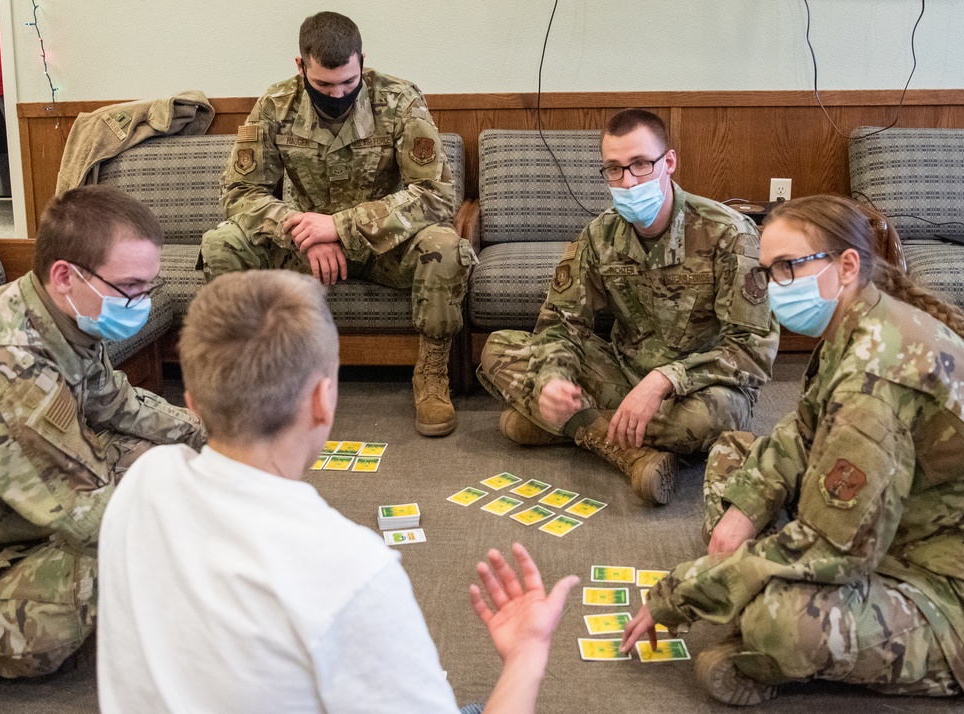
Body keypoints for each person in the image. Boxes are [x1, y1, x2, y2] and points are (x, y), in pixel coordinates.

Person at [97, 270, 578, 713]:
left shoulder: (143, 480)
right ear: (322, 401)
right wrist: (527, 652)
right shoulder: (353, 569)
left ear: (191, 403)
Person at [621, 195, 964, 704]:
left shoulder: (876, 377)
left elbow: (836, 549)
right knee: (734, 453)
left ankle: (758, 631)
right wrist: (747, 508)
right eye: (768, 271)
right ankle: (750, 584)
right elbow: (801, 431)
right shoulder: (858, 322)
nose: (775, 286)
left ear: (847, 266)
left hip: (936, 582)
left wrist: (687, 590)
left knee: (776, 622)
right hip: (888, 520)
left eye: (789, 267)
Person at [478, 109, 779, 506]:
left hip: (695, 389)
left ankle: (568, 424)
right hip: (621, 372)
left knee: (715, 418)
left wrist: (664, 379)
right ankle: (627, 451)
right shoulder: (600, 234)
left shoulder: (729, 234)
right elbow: (560, 324)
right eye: (614, 169)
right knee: (499, 348)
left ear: (668, 162)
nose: (628, 181)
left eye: (640, 164)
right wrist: (552, 378)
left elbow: (752, 350)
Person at [0, 185, 204, 681]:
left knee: (168, 464)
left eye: (148, 287)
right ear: (65, 275)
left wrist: (215, 434)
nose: (141, 302)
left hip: (19, 507)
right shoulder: (3, 365)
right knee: (131, 556)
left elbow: (117, 403)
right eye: (131, 287)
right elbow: (91, 516)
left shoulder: (65, 314)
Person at [200, 11, 473, 438]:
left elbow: (435, 195)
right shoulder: (276, 104)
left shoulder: (399, 99)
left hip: (385, 246)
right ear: (300, 66)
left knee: (447, 246)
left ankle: (432, 375)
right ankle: (251, 379)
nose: (338, 92)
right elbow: (239, 192)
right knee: (222, 243)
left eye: (349, 81)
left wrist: (341, 227)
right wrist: (304, 231)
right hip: (305, 246)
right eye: (325, 84)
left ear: (361, 61)